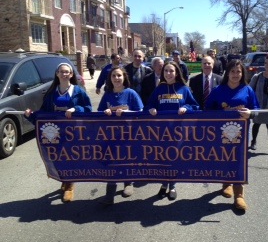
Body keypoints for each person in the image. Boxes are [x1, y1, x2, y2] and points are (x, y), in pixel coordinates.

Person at [24, 63, 92, 202]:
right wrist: (30, 115)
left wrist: (76, 109)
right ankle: (65, 179)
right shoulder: (51, 93)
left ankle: (69, 185)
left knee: (71, 156)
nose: (64, 74)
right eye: (61, 72)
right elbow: (43, 113)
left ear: (71, 74)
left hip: (73, 131)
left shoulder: (78, 91)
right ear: (57, 74)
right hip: (55, 131)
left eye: (67, 72)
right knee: (59, 156)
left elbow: (88, 109)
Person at [205, 59, 260, 211]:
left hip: (241, 133)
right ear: (227, 73)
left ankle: (239, 195)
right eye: (233, 71)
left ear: (243, 74)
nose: (235, 74)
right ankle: (226, 183)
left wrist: (250, 114)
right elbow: (207, 110)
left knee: (239, 161)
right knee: (224, 158)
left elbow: (256, 110)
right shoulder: (218, 90)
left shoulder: (247, 90)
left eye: (239, 72)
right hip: (222, 133)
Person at [144, 61, 199, 200]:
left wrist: (187, 107)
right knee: (162, 159)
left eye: (171, 71)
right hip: (161, 132)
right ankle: (163, 184)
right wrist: (151, 109)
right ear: (163, 73)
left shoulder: (184, 89)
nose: (168, 74)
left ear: (176, 73)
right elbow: (148, 105)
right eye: (166, 71)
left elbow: (195, 105)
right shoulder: (158, 89)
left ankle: (172, 185)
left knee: (174, 159)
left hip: (178, 132)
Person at [97, 67, 144, 204]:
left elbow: (140, 112)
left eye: (119, 75)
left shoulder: (131, 93)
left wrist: (127, 112)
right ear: (110, 78)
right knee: (111, 162)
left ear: (124, 77)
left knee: (126, 159)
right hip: (111, 135)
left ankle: (128, 182)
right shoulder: (107, 94)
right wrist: (105, 111)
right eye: (113, 76)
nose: (116, 78)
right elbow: (99, 112)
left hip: (128, 134)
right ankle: (110, 191)